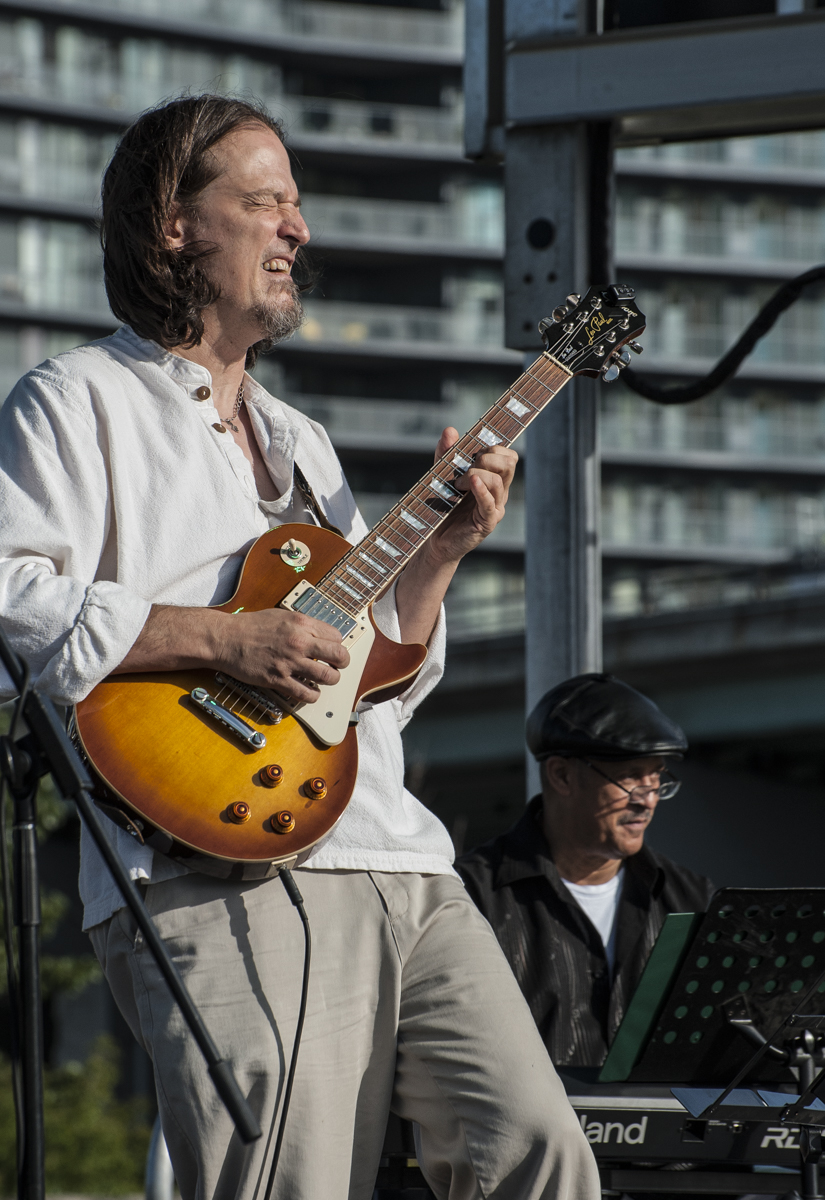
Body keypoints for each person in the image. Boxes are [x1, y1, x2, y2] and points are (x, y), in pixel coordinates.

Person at [0, 95, 599, 1200]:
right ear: (176, 226)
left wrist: (445, 551)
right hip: (213, 856)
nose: (299, 229)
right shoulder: (76, 400)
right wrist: (229, 639)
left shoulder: (305, 442)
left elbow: (366, 682)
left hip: (397, 850)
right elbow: (11, 594)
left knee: (542, 1152)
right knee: (287, 1180)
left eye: (298, 205)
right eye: (265, 200)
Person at [457, 672, 715, 1068]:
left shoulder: (692, 900)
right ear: (561, 775)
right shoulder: (469, 898)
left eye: (657, 777)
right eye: (631, 777)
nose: (647, 801)